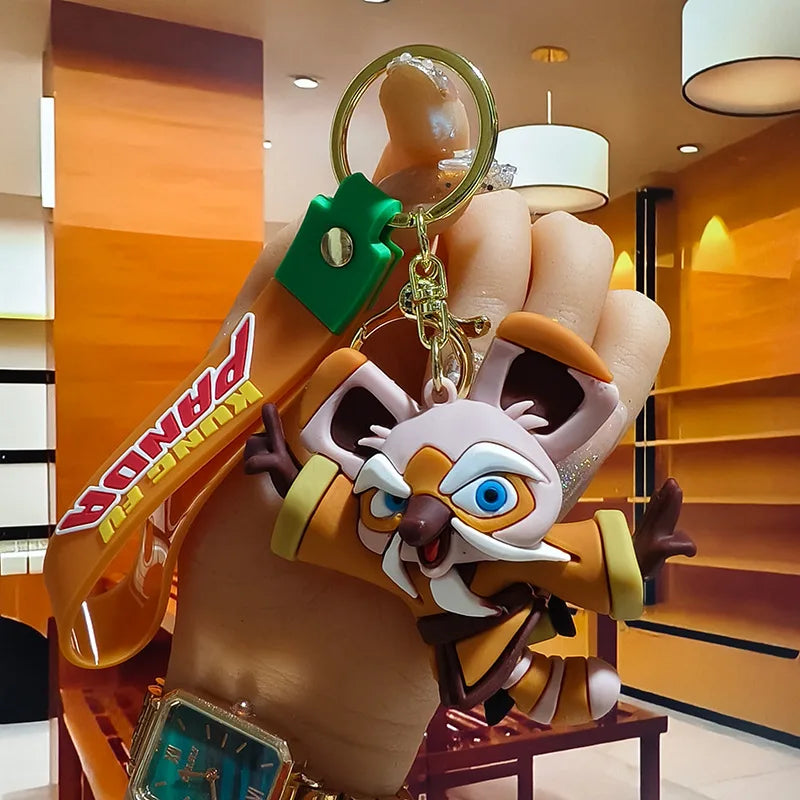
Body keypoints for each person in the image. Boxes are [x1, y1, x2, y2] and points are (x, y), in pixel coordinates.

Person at [166, 57, 671, 798]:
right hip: (463, 634)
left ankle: (549, 687)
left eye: (486, 496)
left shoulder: (448, 549)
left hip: (476, 633)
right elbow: (318, 518)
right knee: (510, 665)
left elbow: (574, 562)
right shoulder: (382, 533)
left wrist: (635, 555)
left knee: (513, 665)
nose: (425, 518)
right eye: (398, 497)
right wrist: (323, 729)